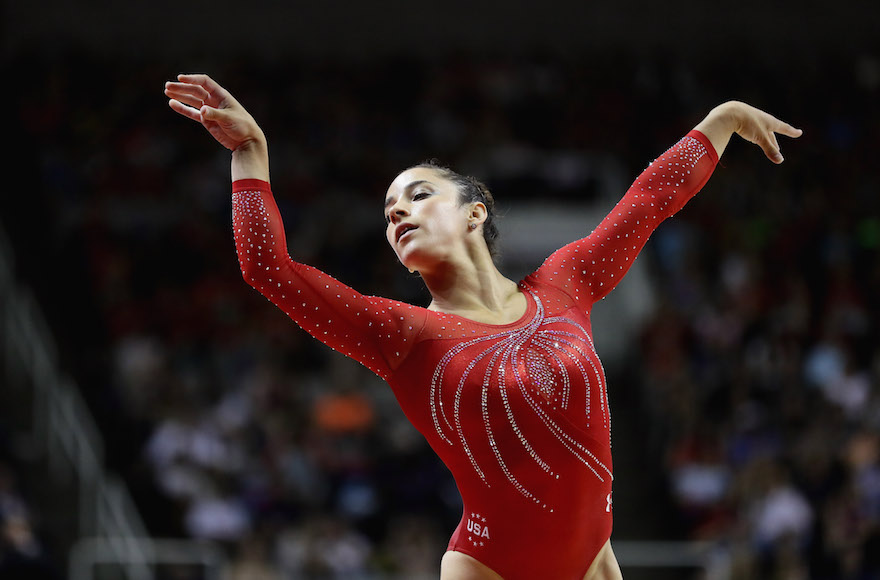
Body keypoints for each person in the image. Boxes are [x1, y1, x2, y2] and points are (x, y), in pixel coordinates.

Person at [164, 73, 801, 580]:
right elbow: (267, 268)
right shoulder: (403, 335)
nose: (397, 216)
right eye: (388, 213)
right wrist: (251, 152)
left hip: (594, 565)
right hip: (489, 568)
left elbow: (649, 202)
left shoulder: (565, 284)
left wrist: (722, 121)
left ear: (475, 212)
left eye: (416, 195)